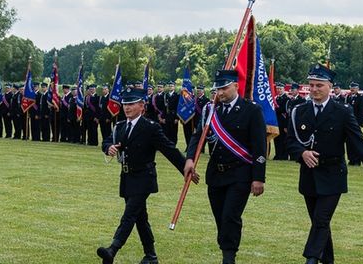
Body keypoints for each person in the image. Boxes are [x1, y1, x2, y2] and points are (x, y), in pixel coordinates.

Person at [287, 64, 363, 264]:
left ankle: (311, 259)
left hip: (333, 175)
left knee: (321, 220)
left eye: (319, 85)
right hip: (309, 175)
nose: (315, 89)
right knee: (319, 222)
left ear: (330, 86)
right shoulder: (299, 110)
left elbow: (358, 141)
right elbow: (291, 141)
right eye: (311, 85)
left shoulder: (342, 112)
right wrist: (302, 153)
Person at [97, 87, 198, 264]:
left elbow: (169, 150)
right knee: (140, 218)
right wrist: (108, 148)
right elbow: (107, 140)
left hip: (143, 178)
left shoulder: (150, 128)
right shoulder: (120, 126)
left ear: (142, 106)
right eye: (125, 104)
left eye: (131, 104)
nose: (127, 108)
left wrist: (185, 168)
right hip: (127, 178)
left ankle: (113, 249)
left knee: (129, 215)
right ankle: (150, 255)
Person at [185, 70, 266, 264]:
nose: (220, 93)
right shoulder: (210, 109)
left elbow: (259, 146)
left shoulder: (251, 110)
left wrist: (258, 178)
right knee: (220, 217)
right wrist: (189, 159)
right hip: (216, 174)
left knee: (230, 215)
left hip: (240, 173)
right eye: (218, 88)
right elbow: (198, 136)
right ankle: (226, 248)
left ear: (236, 86)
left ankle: (228, 257)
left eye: (224, 88)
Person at [345, 82, 363, 166]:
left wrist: (359, 123)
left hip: (355, 123)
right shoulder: (348, 97)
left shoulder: (360, 98)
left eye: (354, 88)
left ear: (357, 89)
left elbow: (362, 111)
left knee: (356, 142)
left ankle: (357, 160)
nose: (352, 89)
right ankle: (351, 159)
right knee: (349, 142)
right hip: (348, 123)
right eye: (351, 87)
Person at [274, 82, 290, 160]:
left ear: (284, 89)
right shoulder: (276, 98)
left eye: (280, 89)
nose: (278, 90)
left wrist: (286, 125)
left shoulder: (286, 99)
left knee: (283, 140)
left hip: (283, 122)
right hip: (276, 122)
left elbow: (285, 111)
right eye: (277, 89)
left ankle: (283, 156)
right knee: (276, 139)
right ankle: (277, 154)